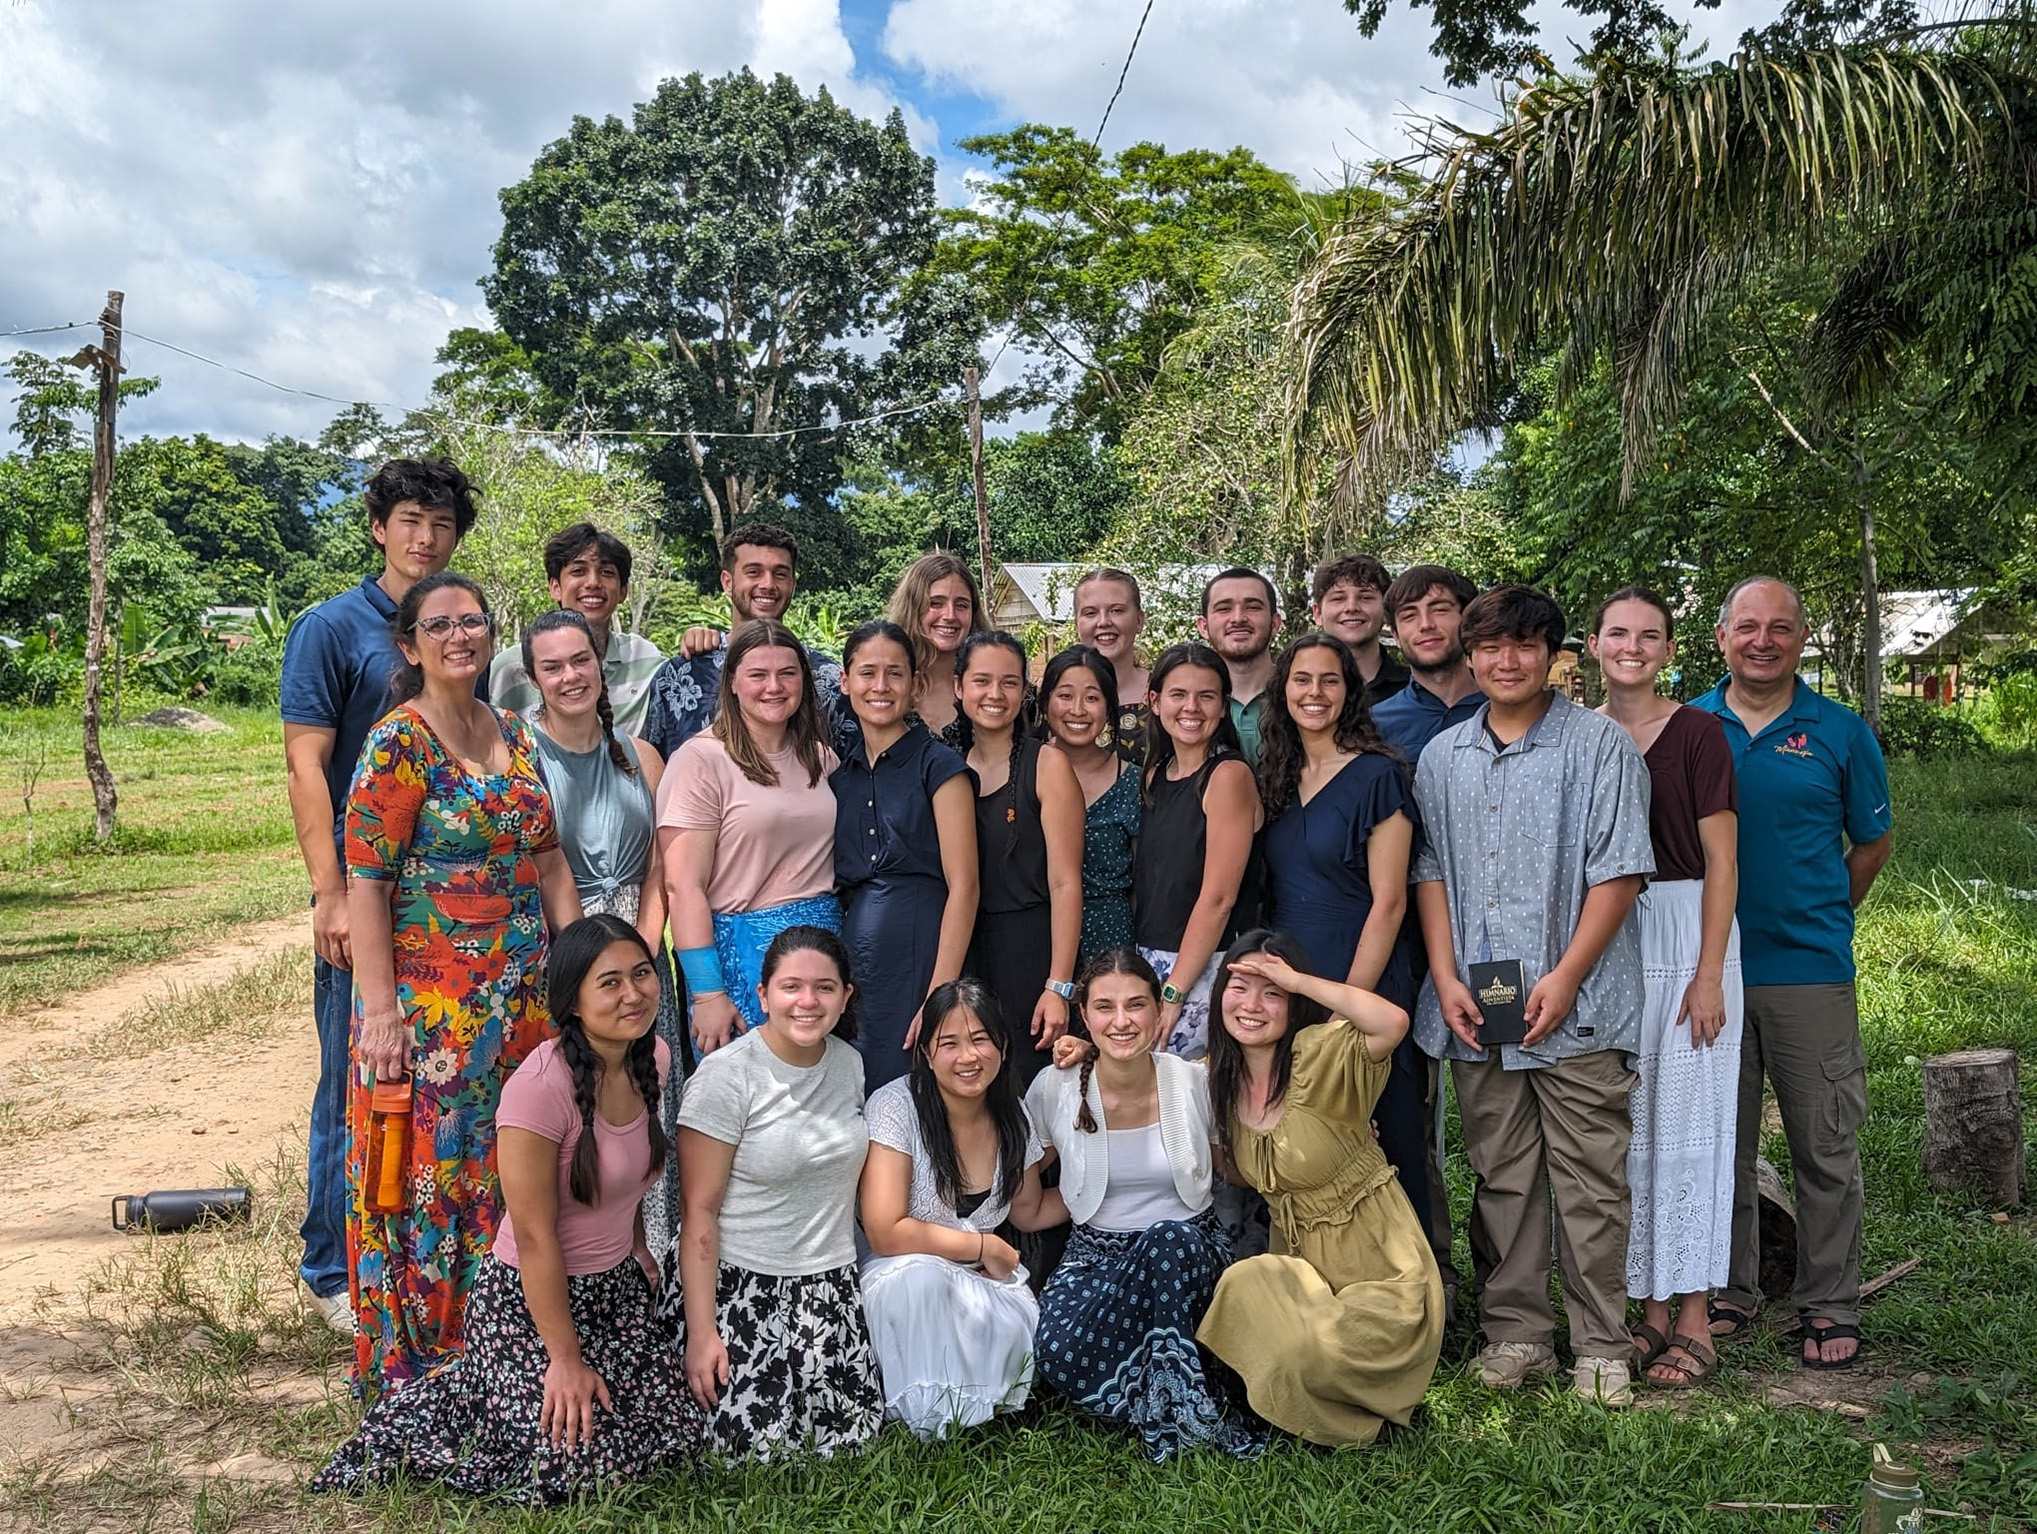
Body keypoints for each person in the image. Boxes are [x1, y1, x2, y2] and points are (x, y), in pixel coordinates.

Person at [313, 916, 701, 1502]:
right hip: (527, 1302)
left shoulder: (656, 1059)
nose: (634, 994)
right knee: (583, 1469)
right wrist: (564, 1360)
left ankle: (492, 1389)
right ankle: (468, 1390)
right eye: (611, 982)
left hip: (614, 1291)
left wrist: (639, 1249)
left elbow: (630, 1179)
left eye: (643, 974)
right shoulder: (538, 1089)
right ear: (571, 1001)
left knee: (679, 1434)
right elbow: (537, 1237)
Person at [1412, 585, 1653, 1407]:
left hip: (1577, 1004)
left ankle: (1600, 1345)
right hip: (1480, 1005)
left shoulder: (1598, 747)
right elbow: (1430, 872)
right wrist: (1443, 976)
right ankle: (1516, 1334)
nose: (1504, 662)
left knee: (1589, 1180)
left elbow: (1618, 871)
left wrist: (1566, 974)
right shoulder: (1443, 756)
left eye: (1522, 646)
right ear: (1468, 654)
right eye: (1488, 647)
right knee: (1502, 1176)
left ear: (1554, 654)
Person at [344, 572, 584, 1397]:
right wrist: (380, 1012)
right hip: (429, 1013)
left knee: (515, 1163)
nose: (460, 636)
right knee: (436, 1174)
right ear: (409, 645)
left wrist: (577, 968)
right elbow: (366, 886)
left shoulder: (514, 731)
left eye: (473, 622)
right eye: (439, 625)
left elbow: (549, 860)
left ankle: (514, 1338)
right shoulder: (396, 743)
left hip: (521, 1003)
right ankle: (436, 1357)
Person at [280, 457, 474, 1335]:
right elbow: (306, 764)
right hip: (363, 891)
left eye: (439, 524)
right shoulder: (331, 627)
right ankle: (328, 1266)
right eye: (408, 520)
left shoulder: (453, 620)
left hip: (443, 906)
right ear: (377, 526)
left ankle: (411, 1249)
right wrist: (327, 892)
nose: (423, 538)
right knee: (353, 1071)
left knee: (429, 1088)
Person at [1692, 576, 1892, 1370]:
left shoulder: (1839, 732)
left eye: (1778, 627)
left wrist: (1824, 914)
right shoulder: (1688, 727)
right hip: (1706, 972)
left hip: (1806, 969)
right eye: (1747, 627)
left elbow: (1870, 843)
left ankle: (1828, 1300)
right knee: (1721, 1144)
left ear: (1800, 639)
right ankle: (1730, 1289)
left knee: (1823, 1143)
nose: (1761, 640)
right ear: (1720, 638)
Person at [1197, 932, 1445, 1444]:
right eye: (1239, 986)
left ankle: (1345, 1410)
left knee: (1316, 1347)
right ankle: (1308, 1391)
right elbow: (1138, 1074)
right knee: (1243, 1284)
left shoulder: (1319, 1055)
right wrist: (1085, 1048)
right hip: (1302, 1271)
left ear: (1295, 1005)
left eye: (1272, 993)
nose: (1251, 1005)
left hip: (1381, 1272)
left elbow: (1392, 1023)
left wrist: (1300, 979)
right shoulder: (1217, 1078)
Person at [1588, 588, 1743, 1389]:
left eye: (1648, 636)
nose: (1632, 647)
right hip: (1605, 939)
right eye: (1618, 633)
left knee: (1690, 1128)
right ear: (1591, 645)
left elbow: (1722, 861)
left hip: (1686, 935)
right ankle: (1643, 1313)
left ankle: (1693, 1316)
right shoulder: (1577, 735)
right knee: (1629, 1131)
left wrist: (1708, 972)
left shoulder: (1697, 734)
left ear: (1669, 649)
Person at [1027, 950, 1264, 1461]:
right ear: (1084, 1016)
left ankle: (1175, 1405)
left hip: (1192, 1252)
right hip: (1099, 1259)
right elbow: (1026, 1192)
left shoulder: (1193, 1083)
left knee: (1167, 1239)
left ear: (1159, 1012)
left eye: (1136, 1005)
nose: (1121, 1021)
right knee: (1057, 1351)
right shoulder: (1056, 1088)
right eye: (1104, 1007)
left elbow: (1238, 1167)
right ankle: (1179, 1383)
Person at [661, 926, 883, 1460]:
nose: (808, 1001)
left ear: (846, 996)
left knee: (848, 1441)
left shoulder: (849, 1064)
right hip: (739, 1285)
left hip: (827, 1286)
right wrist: (701, 1333)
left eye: (825, 988)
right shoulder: (725, 1078)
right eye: (791, 987)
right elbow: (698, 1214)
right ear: (762, 995)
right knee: (749, 1453)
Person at [521, 609, 684, 1258]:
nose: (569, 676)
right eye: (552, 667)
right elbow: (536, 862)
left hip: (643, 949)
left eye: (579, 661)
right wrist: (590, 959)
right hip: (566, 950)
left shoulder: (642, 756)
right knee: (575, 1112)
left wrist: (642, 947)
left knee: (646, 1109)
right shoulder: (522, 758)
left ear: (600, 664)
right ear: (533, 678)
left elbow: (660, 863)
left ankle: (652, 1264)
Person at [1255, 634, 1428, 1225]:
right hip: (1289, 973)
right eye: (1302, 679)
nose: (1315, 693)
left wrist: (1347, 1006)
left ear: (1350, 691)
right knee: (1298, 1125)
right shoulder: (1275, 776)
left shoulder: (1380, 775)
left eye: (1330, 680)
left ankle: (1410, 1287)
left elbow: (1389, 903)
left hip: (1361, 970)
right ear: (1283, 689)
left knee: (1380, 1126)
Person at [858, 979, 1067, 1439]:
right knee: (924, 1280)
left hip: (980, 1283)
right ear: (927, 1053)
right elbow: (885, 1230)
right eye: (948, 1043)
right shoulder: (895, 1106)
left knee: (1024, 1322)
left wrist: (1106, 1187)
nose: (968, 1057)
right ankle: (930, 1418)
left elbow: (1029, 1212)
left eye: (979, 1040)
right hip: (901, 1281)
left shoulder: (1013, 1112)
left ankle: (966, 1409)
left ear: (1003, 1046)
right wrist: (983, 1244)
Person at [1369, 561, 1485, 1307]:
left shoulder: (1513, 706)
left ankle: (1508, 1284)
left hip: (1505, 943)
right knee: (1408, 1120)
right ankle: (1429, 1273)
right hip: (1406, 942)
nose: (1427, 626)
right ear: (1394, 631)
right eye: (1410, 616)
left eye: (1440, 610)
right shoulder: (1378, 727)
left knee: (1496, 1122)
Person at [659, 618, 841, 1060]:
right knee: (747, 1102)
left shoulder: (821, 758)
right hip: (743, 959)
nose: (774, 687)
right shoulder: (701, 761)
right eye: (758, 675)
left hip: (823, 955)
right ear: (733, 683)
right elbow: (683, 887)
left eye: (787, 673)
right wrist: (707, 994)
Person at [832, 619, 978, 1092]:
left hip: (923, 955)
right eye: (867, 672)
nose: (880, 686)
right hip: (856, 962)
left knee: (914, 1091)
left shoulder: (940, 767)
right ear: (845, 681)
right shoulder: (840, 774)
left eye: (894, 674)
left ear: (915, 686)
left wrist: (941, 991)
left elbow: (966, 887)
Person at [956, 631, 1083, 1082]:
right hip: (972, 953)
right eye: (982, 681)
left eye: (1009, 683)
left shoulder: (1046, 764)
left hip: (1035, 953)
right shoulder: (949, 769)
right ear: (959, 688)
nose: (995, 695)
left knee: (1036, 1089)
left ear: (1025, 691)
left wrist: (1058, 985)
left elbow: (1066, 883)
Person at [1132, 643, 1262, 1059]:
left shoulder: (1227, 777)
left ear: (1223, 707)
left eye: (1206, 696)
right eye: (1178, 694)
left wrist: (1174, 992)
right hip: (1151, 958)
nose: (1192, 707)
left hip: (1205, 966)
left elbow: (1219, 898)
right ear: (1154, 701)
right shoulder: (1155, 775)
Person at [639, 524, 843, 758]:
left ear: (793, 584)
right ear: (728, 582)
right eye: (754, 572)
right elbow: (651, 765)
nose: (768, 584)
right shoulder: (679, 676)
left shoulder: (827, 680)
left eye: (780, 574)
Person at [489, 522, 664, 736]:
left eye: (606, 572)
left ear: (623, 591)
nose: (593, 582)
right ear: (555, 588)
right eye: (579, 571)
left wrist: (701, 641)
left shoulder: (644, 658)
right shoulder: (510, 667)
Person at [1041, 645, 1140, 956]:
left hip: (1111, 938)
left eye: (1092, 698)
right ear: (1045, 703)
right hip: (1038, 933)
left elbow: (1144, 885)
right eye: (1066, 696)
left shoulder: (1133, 781)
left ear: (1110, 707)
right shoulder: (1024, 772)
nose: (1078, 710)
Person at [887, 551, 989, 742]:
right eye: (935, 603)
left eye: (961, 605)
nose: (950, 615)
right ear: (912, 608)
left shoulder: (995, 688)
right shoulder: (886, 685)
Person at [1195, 567, 1279, 766]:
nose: (1238, 618)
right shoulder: (1187, 706)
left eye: (1253, 607)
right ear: (1203, 627)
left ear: (1275, 623)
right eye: (1224, 608)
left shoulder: (1302, 696)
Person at [1072, 568, 1152, 761]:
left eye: (1116, 610)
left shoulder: (1167, 695)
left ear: (1139, 620)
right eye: (1090, 613)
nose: (1104, 622)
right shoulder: (1050, 701)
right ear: (1077, 624)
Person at [1311, 554, 1409, 708]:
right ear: (1317, 614)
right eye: (1338, 599)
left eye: (1365, 597)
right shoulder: (1296, 692)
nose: (1351, 607)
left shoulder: (1414, 689)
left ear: (1386, 611)